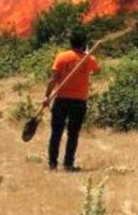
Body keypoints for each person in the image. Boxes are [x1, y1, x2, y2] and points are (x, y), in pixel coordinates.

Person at [43, 30, 100, 172]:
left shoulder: (62, 57)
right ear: (84, 44)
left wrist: (47, 96)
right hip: (79, 102)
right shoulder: (89, 59)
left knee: (56, 132)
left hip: (61, 100)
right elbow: (97, 70)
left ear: (71, 43)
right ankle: (68, 165)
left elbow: (53, 78)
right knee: (73, 134)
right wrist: (86, 54)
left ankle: (52, 164)